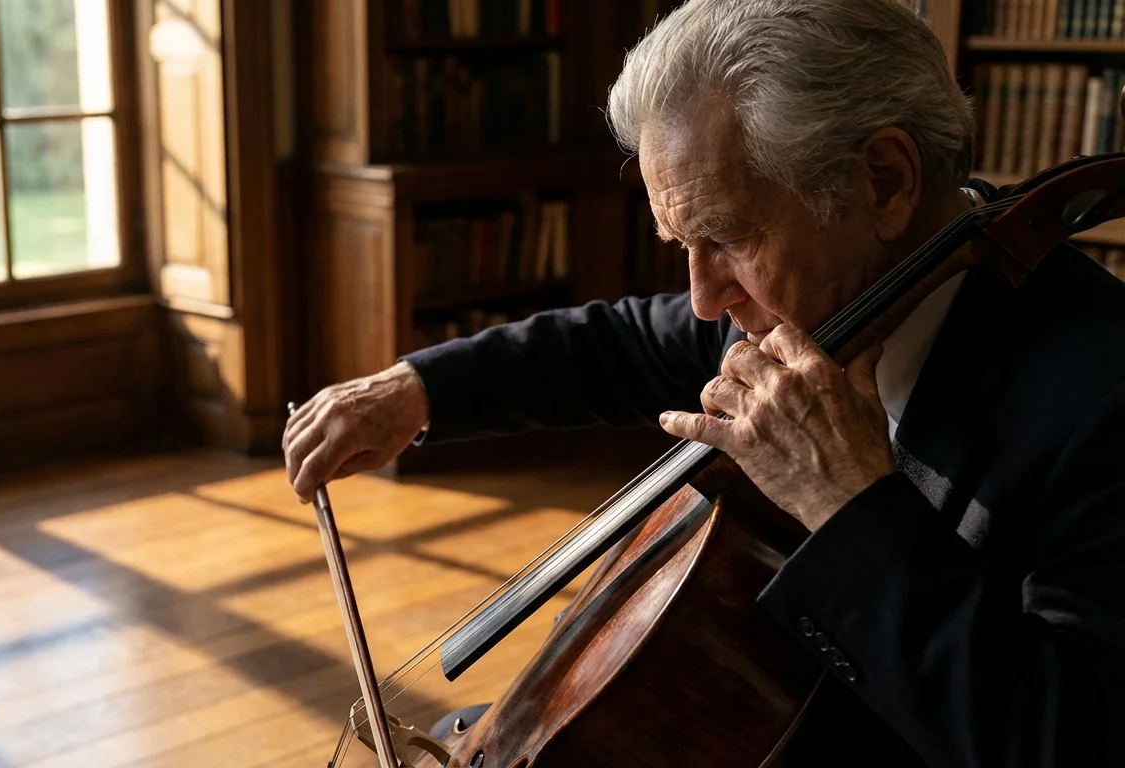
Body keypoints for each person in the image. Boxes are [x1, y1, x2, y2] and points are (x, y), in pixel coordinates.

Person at [283, 0, 1125, 764]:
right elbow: (619, 343)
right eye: (681, 244)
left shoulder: (1105, 396)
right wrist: (415, 389)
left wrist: (849, 502)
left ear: (885, 181)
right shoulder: (806, 303)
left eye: (726, 236)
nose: (704, 297)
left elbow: (1061, 736)